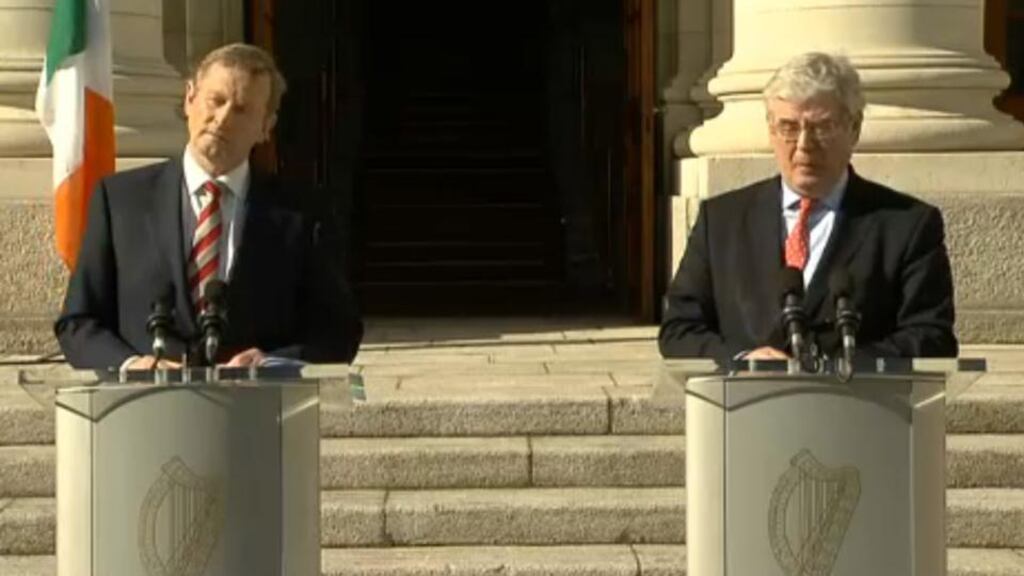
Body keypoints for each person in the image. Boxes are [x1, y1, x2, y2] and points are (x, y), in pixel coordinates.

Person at [55, 43, 363, 370]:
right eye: (215, 101)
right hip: (143, 409)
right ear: (190, 98)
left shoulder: (300, 215)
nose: (222, 119)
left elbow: (339, 332)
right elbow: (78, 323)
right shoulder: (120, 201)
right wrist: (132, 365)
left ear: (266, 126)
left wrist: (273, 362)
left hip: (254, 409)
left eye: (242, 109)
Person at [659, 52, 957, 363]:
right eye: (788, 127)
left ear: (854, 128)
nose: (804, 144)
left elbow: (932, 337)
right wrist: (743, 360)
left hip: (856, 407)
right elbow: (679, 330)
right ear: (770, 129)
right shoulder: (721, 221)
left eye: (822, 127)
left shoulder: (906, 225)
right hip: (747, 407)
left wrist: (841, 369)